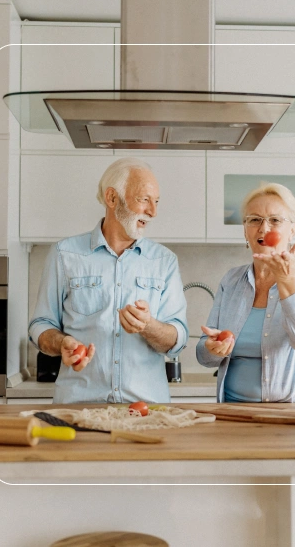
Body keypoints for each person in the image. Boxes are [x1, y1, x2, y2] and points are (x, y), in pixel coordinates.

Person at [29, 157, 188, 404]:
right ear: (112, 198)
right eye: (144, 199)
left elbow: (177, 340)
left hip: (147, 410)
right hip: (79, 407)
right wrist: (62, 343)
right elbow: (40, 325)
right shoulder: (65, 254)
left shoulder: (164, 261)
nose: (153, 212)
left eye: (156, 202)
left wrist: (148, 325)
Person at [196, 183, 295, 403]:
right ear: (245, 229)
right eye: (255, 219)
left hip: (292, 414)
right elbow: (204, 356)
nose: (264, 228)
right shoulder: (231, 281)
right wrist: (212, 349)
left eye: (275, 220)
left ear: (292, 230)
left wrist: (288, 280)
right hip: (232, 413)